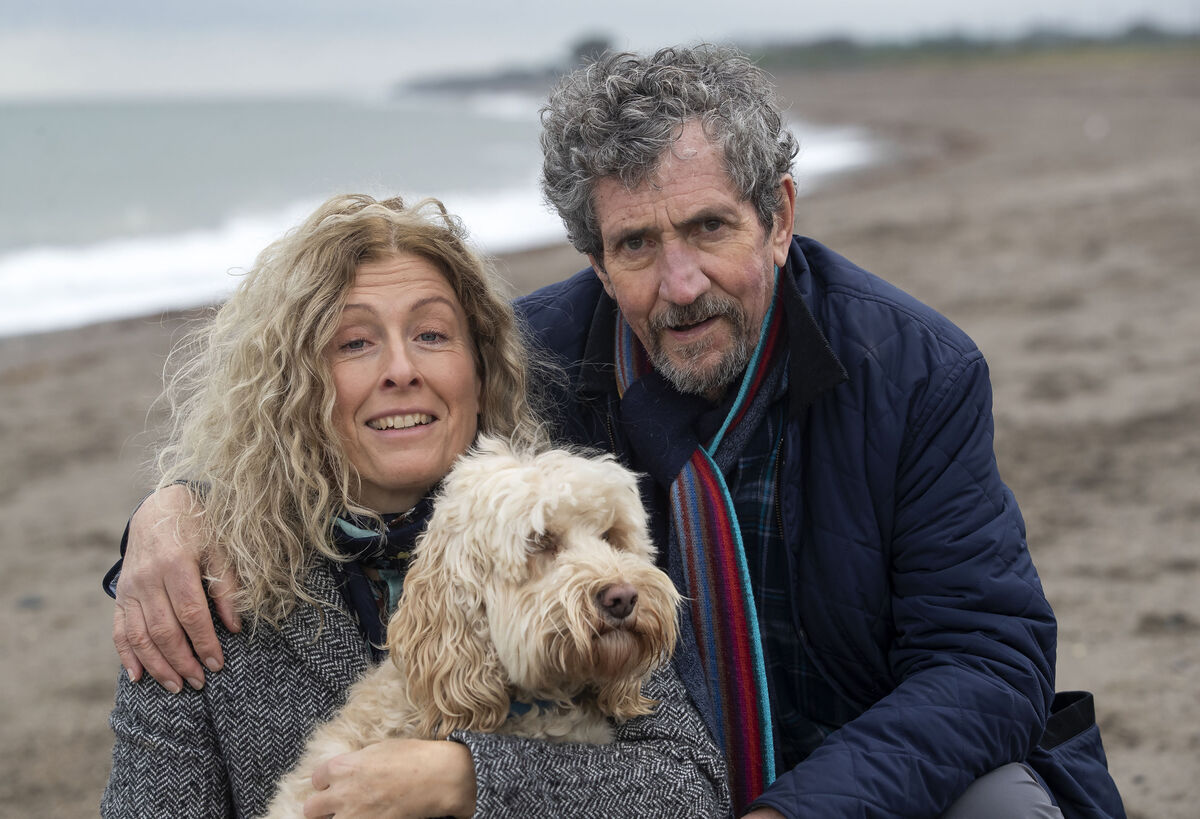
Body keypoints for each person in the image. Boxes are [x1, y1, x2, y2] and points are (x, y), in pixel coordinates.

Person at [109, 47, 1126, 818]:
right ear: (594, 257)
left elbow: (988, 662)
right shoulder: (533, 366)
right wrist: (178, 506)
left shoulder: (918, 369)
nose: (679, 284)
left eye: (710, 228)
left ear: (778, 216)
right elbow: (333, 413)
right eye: (636, 244)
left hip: (870, 777)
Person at [101, 193, 730, 818]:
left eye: (432, 335)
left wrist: (471, 780)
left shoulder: (571, 529)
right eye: (354, 343)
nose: (401, 369)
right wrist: (171, 506)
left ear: (480, 372)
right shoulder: (194, 583)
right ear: (294, 386)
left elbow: (693, 793)